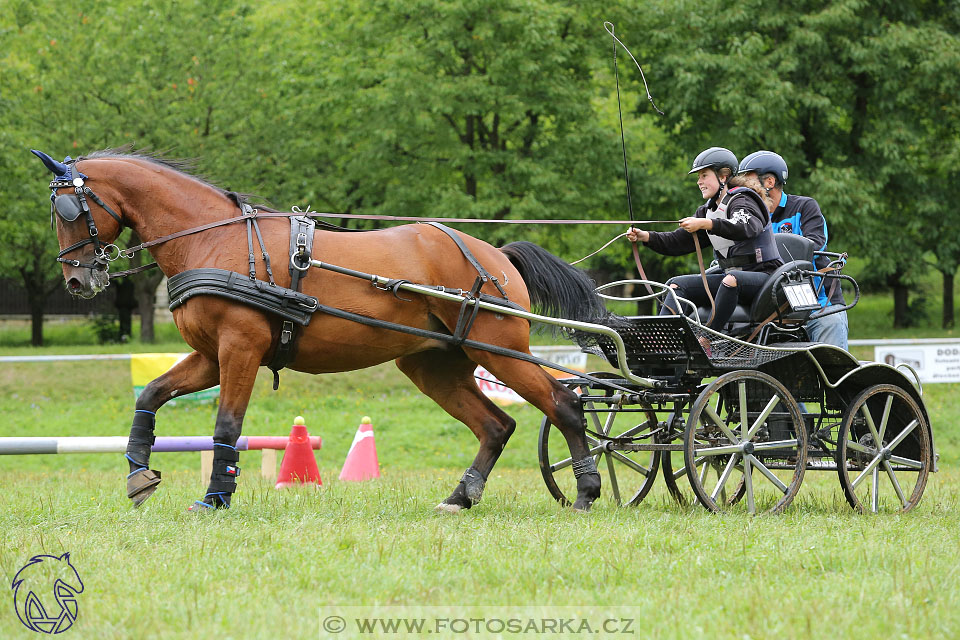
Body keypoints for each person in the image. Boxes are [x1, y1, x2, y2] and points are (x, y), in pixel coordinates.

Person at [626, 147, 782, 331]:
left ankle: (708, 338)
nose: (699, 182)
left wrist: (707, 224)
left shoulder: (743, 200)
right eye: (698, 177)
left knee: (731, 280)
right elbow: (678, 242)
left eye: (704, 175)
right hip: (730, 278)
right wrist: (647, 237)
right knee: (676, 286)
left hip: (766, 278)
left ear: (723, 177)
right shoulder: (707, 210)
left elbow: (744, 227)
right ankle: (664, 340)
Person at [737, 150, 848, 349]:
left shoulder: (804, 207)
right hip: (775, 311)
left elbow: (814, 243)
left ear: (769, 182)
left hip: (820, 305)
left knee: (831, 368)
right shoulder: (749, 216)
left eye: (748, 181)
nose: (742, 188)